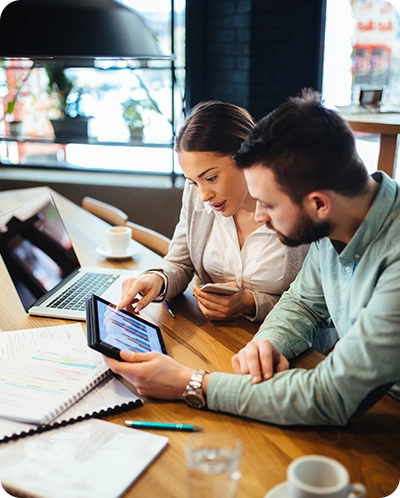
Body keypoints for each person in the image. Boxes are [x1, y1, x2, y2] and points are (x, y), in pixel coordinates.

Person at [105, 89, 400, 426]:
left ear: (319, 203)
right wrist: (268, 341)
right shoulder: (332, 220)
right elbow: (303, 302)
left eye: (269, 204)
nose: (258, 216)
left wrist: (190, 383)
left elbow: (328, 395)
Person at [118, 101, 308, 322]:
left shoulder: (299, 207)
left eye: (211, 178)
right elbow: (180, 263)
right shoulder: (197, 196)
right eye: (193, 182)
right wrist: (157, 279)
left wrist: (250, 303)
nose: (203, 195)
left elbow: (313, 306)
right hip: (217, 337)